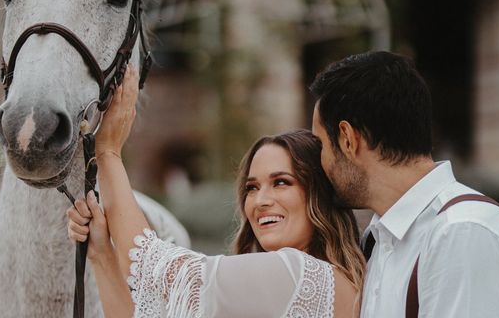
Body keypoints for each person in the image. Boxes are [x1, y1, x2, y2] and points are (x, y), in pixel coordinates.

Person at [67, 65, 365, 317]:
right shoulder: (322, 280)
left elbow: (153, 265)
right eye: (251, 187)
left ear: (318, 194)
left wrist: (107, 150)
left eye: (282, 182)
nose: (260, 201)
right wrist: (102, 254)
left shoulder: (298, 272)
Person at [309, 51, 499, 318]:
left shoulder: (461, 232)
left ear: (348, 139)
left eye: (321, 145)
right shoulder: (377, 241)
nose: (318, 161)